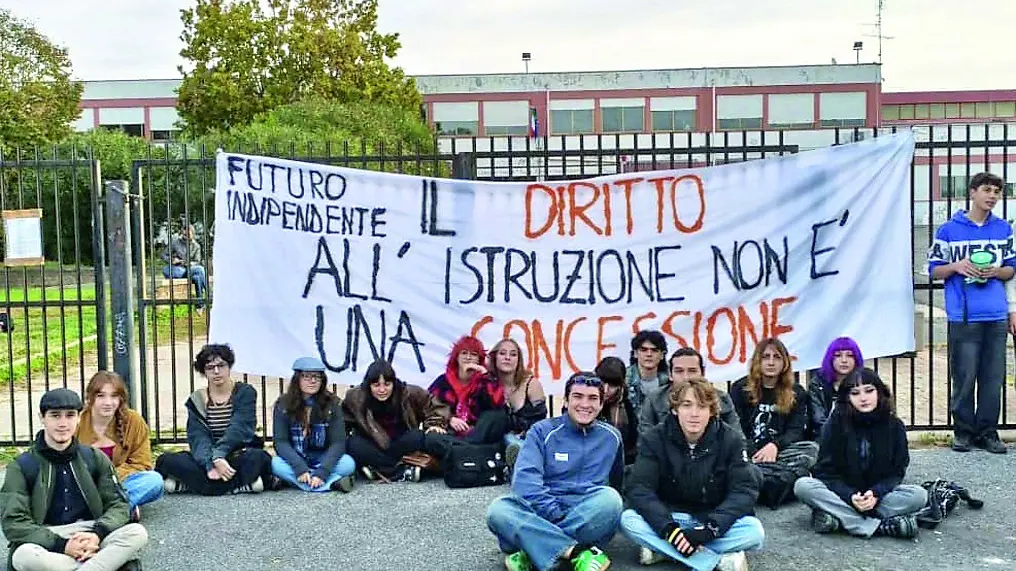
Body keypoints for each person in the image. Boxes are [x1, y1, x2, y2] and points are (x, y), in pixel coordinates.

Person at [622, 377, 763, 571]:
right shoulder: (654, 438)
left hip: (711, 518)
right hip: (672, 517)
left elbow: (744, 490)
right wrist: (669, 529)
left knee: (754, 532)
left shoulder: (731, 439)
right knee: (629, 521)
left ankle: (664, 551)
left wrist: (710, 529)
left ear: (712, 411)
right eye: (687, 405)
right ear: (674, 409)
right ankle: (716, 562)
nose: (694, 414)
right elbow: (639, 488)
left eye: (702, 406)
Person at [486, 372, 624, 571]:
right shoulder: (541, 431)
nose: (585, 404)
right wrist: (552, 513)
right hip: (542, 510)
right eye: (577, 396)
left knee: (611, 500)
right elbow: (525, 483)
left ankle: (533, 549)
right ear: (566, 401)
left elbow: (617, 483)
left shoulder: (612, 437)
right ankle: (575, 552)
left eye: (593, 398)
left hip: (584, 512)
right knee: (499, 509)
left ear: (601, 404)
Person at [2, 388, 148, 571]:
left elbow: (119, 504)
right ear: (42, 418)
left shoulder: (94, 457)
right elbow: (14, 522)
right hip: (47, 536)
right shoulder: (22, 465)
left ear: (78, 418)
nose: (63, 423)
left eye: (70, 415)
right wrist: (62, 545)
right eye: (55, 416)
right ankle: (106, 565)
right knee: (24, 556)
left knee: (136, 533)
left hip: (89, 532)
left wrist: (97, 533)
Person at [929, 172, 1013, 454]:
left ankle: (988, 432)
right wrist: (956, 267)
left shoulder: (1004, 229)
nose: (992, 196)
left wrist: (996, 272)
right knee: (964, 376)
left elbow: (1011, 268)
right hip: (962, 315)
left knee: (992, 377)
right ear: (973, 192)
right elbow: (933, 270)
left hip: (996, 315)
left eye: (997, 192)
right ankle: (963, 431)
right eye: (987, 190)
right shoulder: (948, 230)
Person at [794, 369, 927, 539]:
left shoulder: (895, 425)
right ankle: (879, 526)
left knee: (919, 495)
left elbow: (897, 472)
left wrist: (876, 494)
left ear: (879, 392)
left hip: (877, 498)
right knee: (803, 486)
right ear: (847, 398)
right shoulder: (834, 424)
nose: (863, 398)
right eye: (855, 393)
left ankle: (839, 519)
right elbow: (824, 472)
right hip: (843, 494)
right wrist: (850, 496)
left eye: (869, 390)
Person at [155, 344, 274, 495]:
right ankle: (240, 486)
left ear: (229, 366)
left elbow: (239, 430)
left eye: (221, 365)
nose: (216, 371)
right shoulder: (197, 399)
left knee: (258, 457)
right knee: (166, 460)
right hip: (207, 457)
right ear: (204, 371)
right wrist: (210, 464)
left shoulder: (245, 392)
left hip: (236, 454)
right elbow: (198, 438)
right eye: (210, 367)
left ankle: (190, 486)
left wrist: (219, 456)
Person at [76, 371, 164, 521]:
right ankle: (121, 511)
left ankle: (104, 511)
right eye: (101, 396)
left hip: (120, 483)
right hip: (84, 486)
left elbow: (142, 463)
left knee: (154, 481)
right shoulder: (77, 421)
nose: (108, 402)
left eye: (114, 396)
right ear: (90, 398)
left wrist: (109, 478)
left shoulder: (133, 420)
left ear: (121, 399)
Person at [343, 359, 450, 482]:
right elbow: (343, 422)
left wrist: (435, 424)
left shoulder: (409, 392)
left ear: (393, 383)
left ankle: (378, 470)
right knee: (353, 444)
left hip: (401, 443)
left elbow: (434, 406)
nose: (382, 390)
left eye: (387, 384)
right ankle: (402, 471)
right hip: (373, 444)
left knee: (418, 435)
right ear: (369, 385)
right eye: (376, 385)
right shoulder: (355, 397)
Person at [729, 338, 818, 473]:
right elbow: (735, 429)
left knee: (812, 449)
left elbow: (795, 431)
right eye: (765, 357)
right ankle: (772, 469)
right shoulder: (740, 388)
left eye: (777, 357)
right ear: (757, 361)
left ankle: (768, 469)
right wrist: (756, 451)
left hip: (781, 451)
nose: (771, 362)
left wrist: (774, 446)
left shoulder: (797, 392)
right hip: (749, 450)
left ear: (785, 363)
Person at [270, 357, 356, 492]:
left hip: (322, 457)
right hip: (296, 457)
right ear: (297, 379)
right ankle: (332, 484)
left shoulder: (332, 403)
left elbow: (338, 443)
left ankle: (302, 482)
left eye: (317, 377)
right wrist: (299, 468)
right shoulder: (283, 404)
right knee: (275, 464)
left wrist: (323, 472)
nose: (313, 381)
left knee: (348, 463)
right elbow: (281, 442)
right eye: (306, 376)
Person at [426, 335, 511, 456]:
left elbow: (497, 404)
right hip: (451, 434)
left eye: (474, 354)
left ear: (479, 359)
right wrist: (449, 419)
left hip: (478, 433)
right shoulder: (443, 381)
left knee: (497, 416)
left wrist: (484, 375)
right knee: (431, 438)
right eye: (464, 353)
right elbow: (431, 408)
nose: (468, 357)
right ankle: (468, 451)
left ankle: (464, 450)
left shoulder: (486, 380)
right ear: (456, 357)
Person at [640, 347, 741, 435]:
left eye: (692, 371)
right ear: (670, 375)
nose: (686, 377)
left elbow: (737, 437)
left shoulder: (720, 398)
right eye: (679, 371)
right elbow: (646, 438)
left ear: (702, 373)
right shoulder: (654, 398)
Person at [493, 338, 548, 471]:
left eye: (513, 354)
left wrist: (524, 433)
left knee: (514, 442)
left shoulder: (531, 383)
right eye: (502, 353)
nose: (507, 358)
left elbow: (540, 420)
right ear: (494, 357)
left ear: (519, 360)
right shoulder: (487, 382)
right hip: (496, 440)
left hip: (527, 439)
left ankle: (522, 465)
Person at [808, 337, 864, 439]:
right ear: (830, 359)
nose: (844, 360)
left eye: (849, 355)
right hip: (825, 439)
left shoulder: (864, 383)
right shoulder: (817, 384)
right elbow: (818, 420)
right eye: (838, 355)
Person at [595, 356, 639, 465]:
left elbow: (631, 446)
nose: (605, 389)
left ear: (620, 385)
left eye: (612, 385)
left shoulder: (628, 409)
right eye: (602, 382)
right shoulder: (584, 403)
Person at [160, 223, 208, 308]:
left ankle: (200, 304)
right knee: (200, 270)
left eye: (188, 235)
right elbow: (163, 255)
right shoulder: (175, 243)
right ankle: (208, 295)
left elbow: (197, 261)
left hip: (190, 270)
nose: (186, 236)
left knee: (198, 274)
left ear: (193, 234)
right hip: (178, 270)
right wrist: (172, 260)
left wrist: (190, 263)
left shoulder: (196, 246)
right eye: (184, 234)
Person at [626, 330, 669, 421]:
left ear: (662, 355)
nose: (649, 354)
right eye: (643, 350)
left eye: (654, 350)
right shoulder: (624, 381)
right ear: (635, 353)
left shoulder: (670, 381)